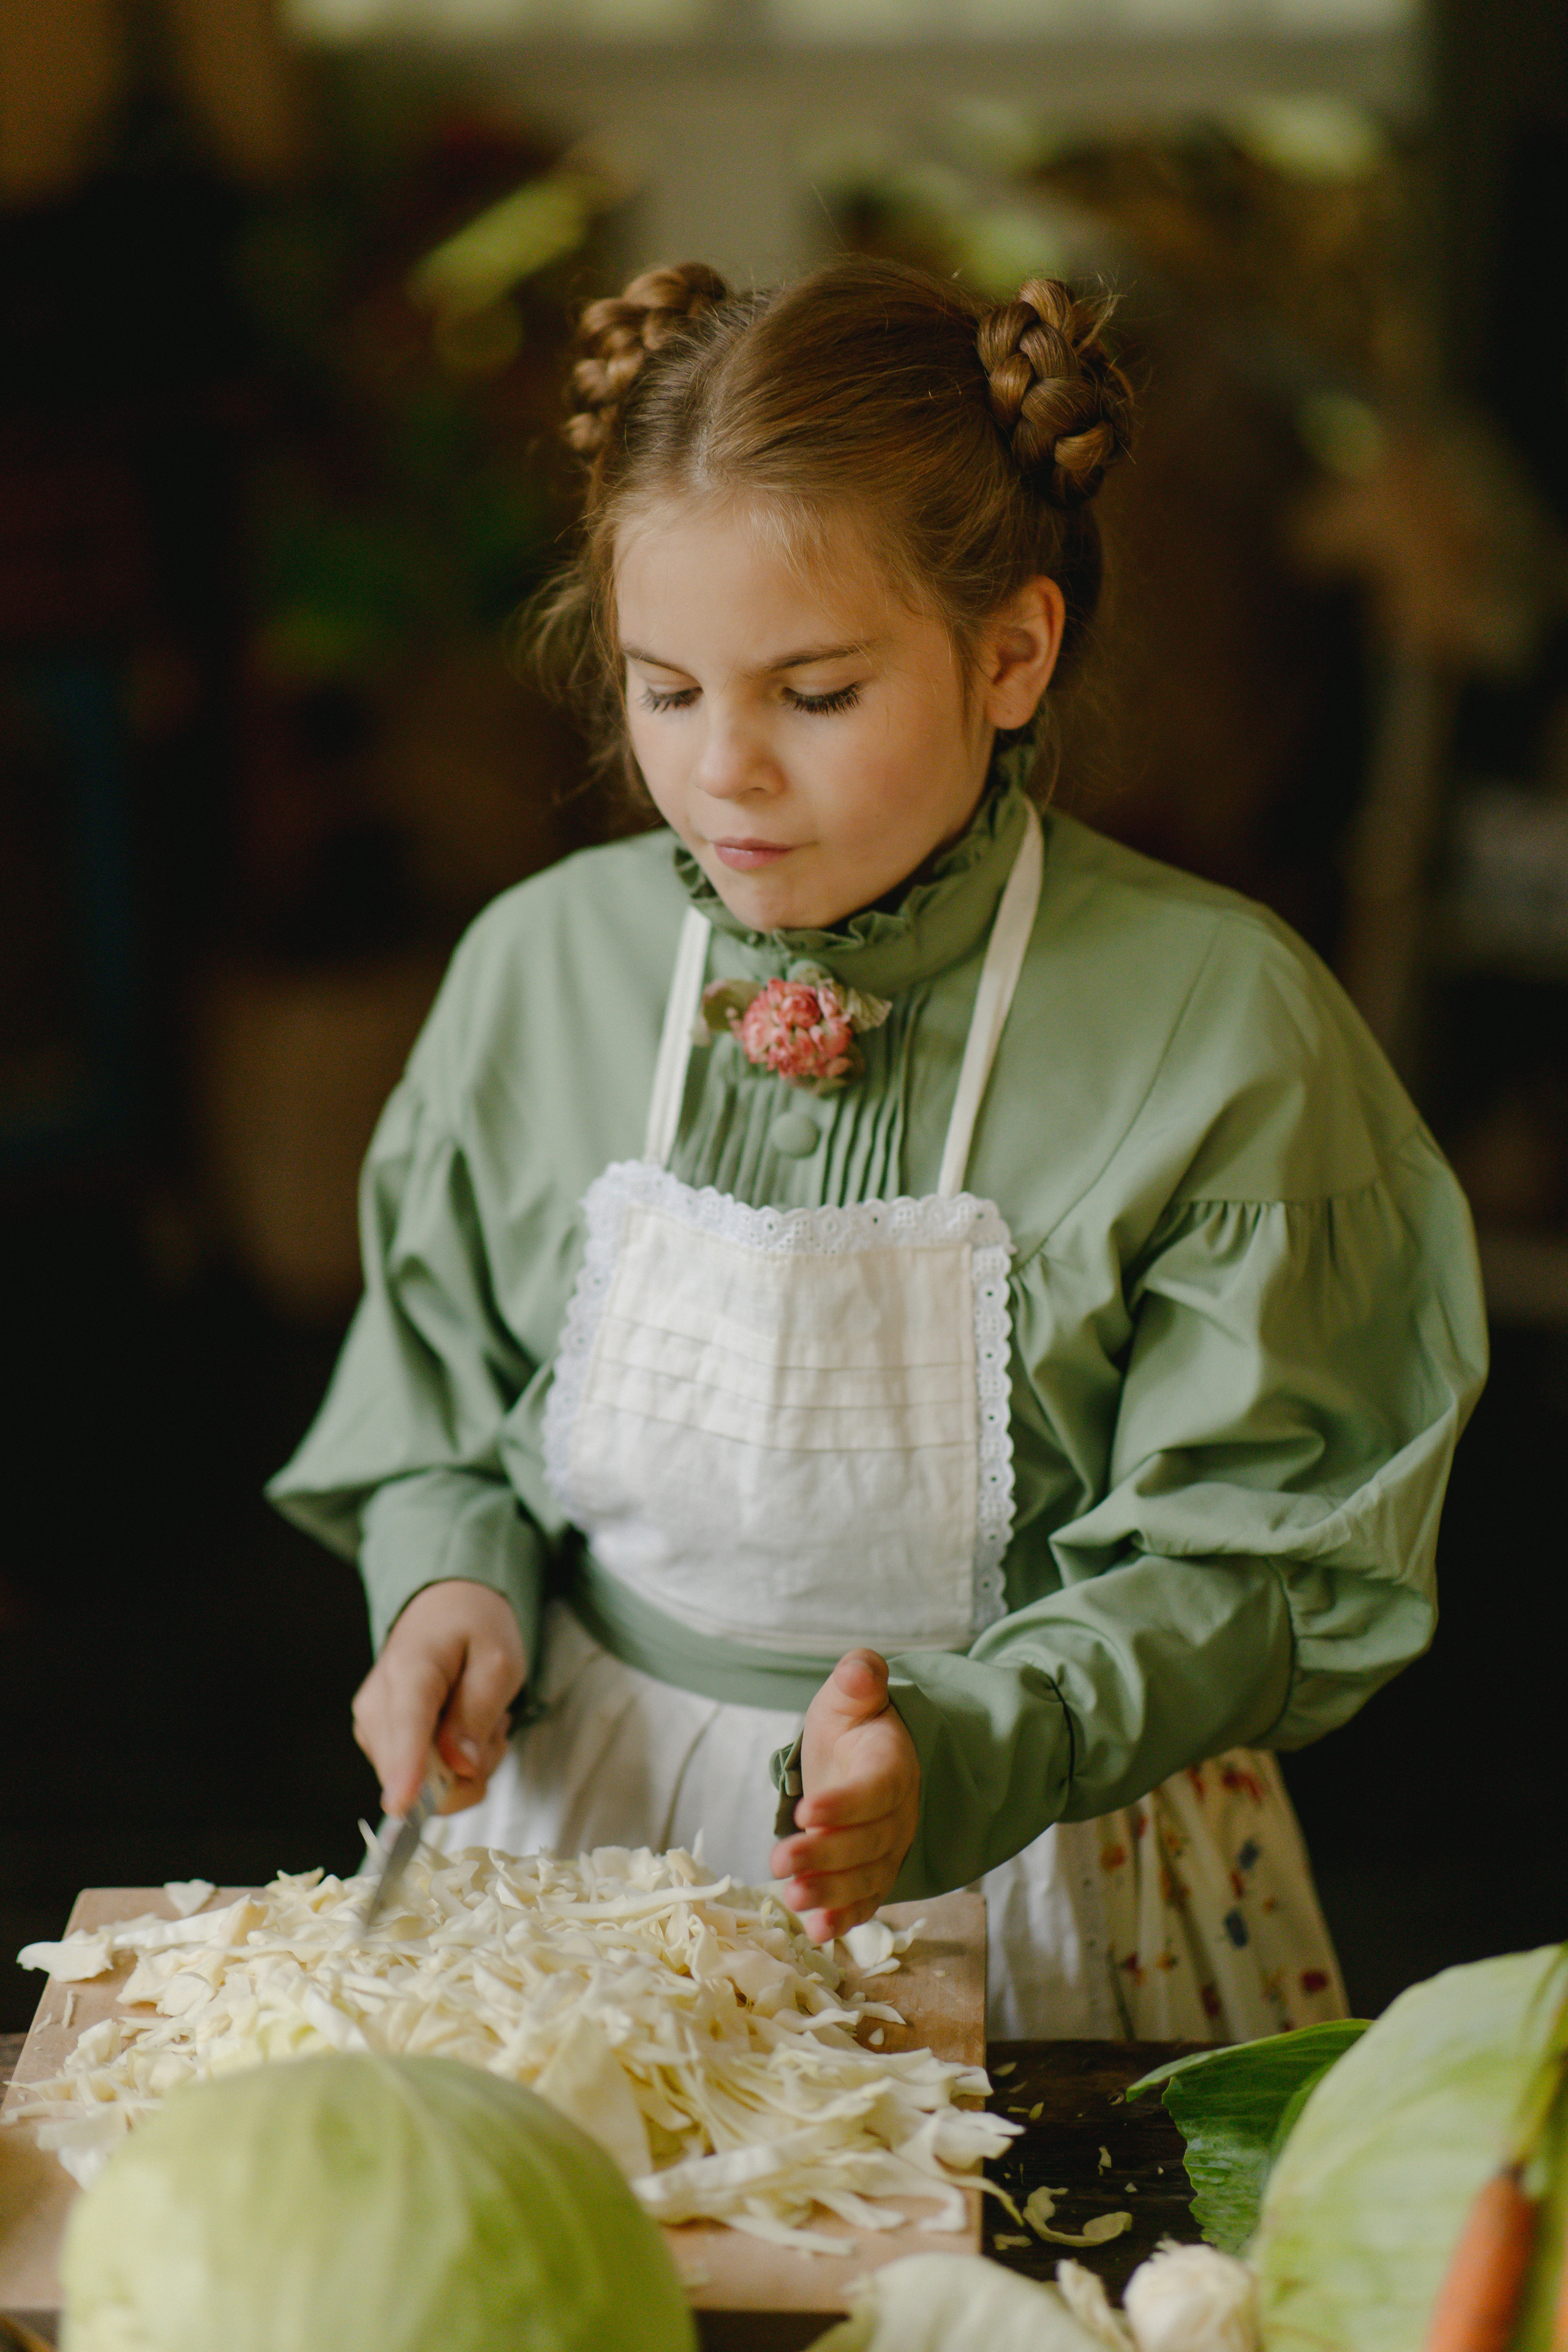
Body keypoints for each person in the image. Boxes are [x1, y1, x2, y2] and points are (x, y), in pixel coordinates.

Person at [269, 257, 1487, 2040]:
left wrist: (981, 1743)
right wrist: (451, 1580)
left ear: (1011, 654)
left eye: (816, 694)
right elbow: (442, 1390)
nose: (724, 772)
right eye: (665, 690)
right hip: (584, 1840)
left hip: (1046, 1868)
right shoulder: (540, 969)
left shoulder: (1221, 1022)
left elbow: (1261, 1548)